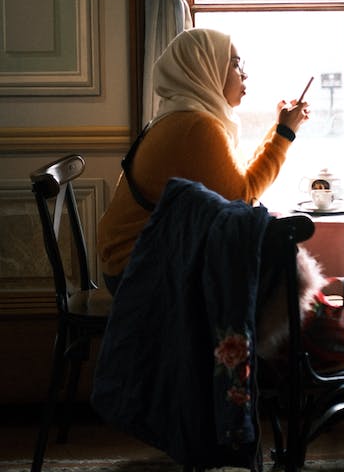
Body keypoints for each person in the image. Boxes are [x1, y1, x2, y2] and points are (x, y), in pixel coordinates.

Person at [97, 27, 309, 294]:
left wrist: (279, 130)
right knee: (276, 264)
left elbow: (238, 180)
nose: (244, 73)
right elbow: (241, 198)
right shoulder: (196, 126)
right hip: (140, 268)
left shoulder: (184, 116)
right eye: (234, 64)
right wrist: (285, 134)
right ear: (207, 68)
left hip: (136, 257)